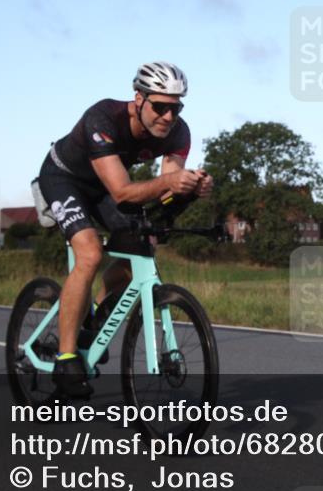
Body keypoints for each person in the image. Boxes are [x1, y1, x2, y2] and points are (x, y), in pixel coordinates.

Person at [36, 62, 213, 398]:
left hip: (104, 187)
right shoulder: (103, 118)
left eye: (175, 108)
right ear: (139, 98)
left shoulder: (178, 132)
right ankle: (67, 356)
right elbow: (122, 192)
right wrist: (170, 182)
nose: (167, 116)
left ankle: (96, 319)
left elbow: (166, 192)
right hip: (64, 179)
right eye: (160, 107)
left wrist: (190, 189)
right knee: (89, 253)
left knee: (140, 250)